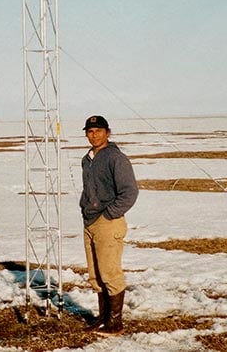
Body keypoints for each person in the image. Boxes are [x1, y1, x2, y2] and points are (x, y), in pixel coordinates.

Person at [79, 115, 139, 335]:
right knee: (95, 274)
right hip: (90, 221)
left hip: (108, 222)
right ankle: (103, 319)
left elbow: (129, 192)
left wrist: (109, 214)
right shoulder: (87, 159)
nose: (93, 135)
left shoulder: (116, 158)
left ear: (108, 132)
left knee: (109, 272)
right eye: (90, 131)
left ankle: (115, 323)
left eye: (98, 131)